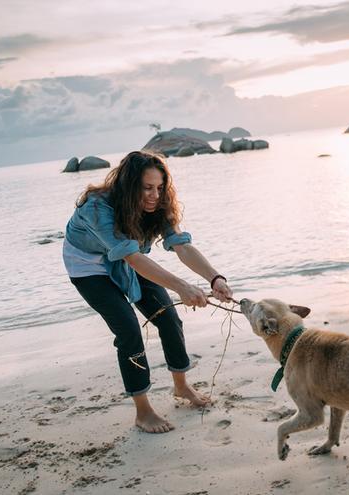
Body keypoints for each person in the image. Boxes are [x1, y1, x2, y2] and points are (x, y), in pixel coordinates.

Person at [62, 150, 233, 433]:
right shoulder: (97, 207)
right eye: (147, 188)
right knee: (129, 329)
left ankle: (181, 386)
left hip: (129, 259)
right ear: (129, 186)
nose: (155, 195)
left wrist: (214, 278)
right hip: (89, 266)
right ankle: (143, 411)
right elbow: (134, 258)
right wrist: (181, 286)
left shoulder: (159, 205)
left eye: (160, 187)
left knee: (168, 318)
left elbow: (182, 246)